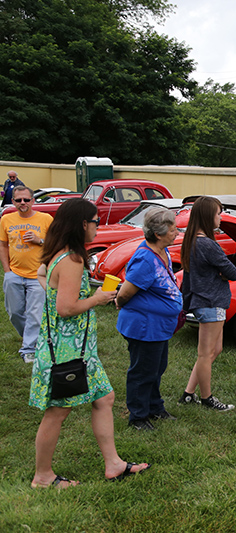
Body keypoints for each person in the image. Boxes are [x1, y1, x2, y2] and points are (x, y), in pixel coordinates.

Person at [29, 199, 150, 488]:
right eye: (96, 220)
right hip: (66, 351)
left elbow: (44, 279)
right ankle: (43, 476)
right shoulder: (72, 259)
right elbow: (66, 308)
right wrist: (98, 298)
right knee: (58, 411)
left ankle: (114, 464)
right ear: (83, 223)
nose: (98, 226)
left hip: (79, 350)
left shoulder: (58, 254)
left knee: (104, 398)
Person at [115, 208, 182, 431]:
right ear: (158, 234)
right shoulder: (145, 259)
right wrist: (120, 302)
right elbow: (125, 292)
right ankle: (138, 416)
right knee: (143, 371)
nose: (176, 232)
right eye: (173, 229)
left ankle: (155, 407)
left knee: (157, 367)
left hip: (159, 326)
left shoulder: (161, 251)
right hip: (144, 326)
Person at [179, 196, 236, 411]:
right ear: (207, 216)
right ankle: (207, 398)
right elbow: (233, 273)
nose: (221, 217)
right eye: (218, 213)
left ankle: (188, 393)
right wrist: (222, 273)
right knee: (205, 354)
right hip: (210, 302)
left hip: (206, 301)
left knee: (215, 350)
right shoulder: (207, 243)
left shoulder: (192, 239)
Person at [1, 186, 53, 362]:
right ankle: (31, 337)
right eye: (18, 200)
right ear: (13, 201)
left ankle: (29, 349)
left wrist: (40, 240)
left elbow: (55, 244)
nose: (22, 203)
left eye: (26, 199)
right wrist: (7, 271)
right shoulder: (6, 219)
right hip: (14, 273)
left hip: (38, 275)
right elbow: (3, 245)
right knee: (14, 312)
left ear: (33, 200)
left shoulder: (45, 219)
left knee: (34, 313)